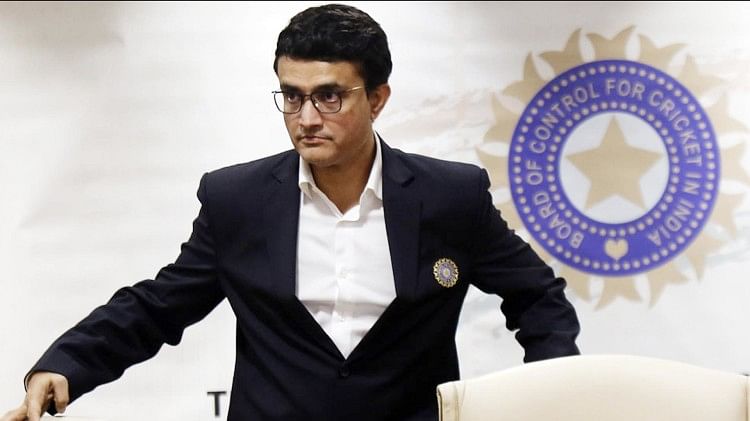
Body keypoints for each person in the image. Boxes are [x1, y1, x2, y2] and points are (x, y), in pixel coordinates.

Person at [2, 4, 580, 421]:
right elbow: (159, 305)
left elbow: (537, 296)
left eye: (330, 96)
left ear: (377, 98)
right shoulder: (237, 199)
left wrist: (553, 394)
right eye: (293, 95)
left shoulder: (450, 196)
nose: (306, 118)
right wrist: (68, 363)